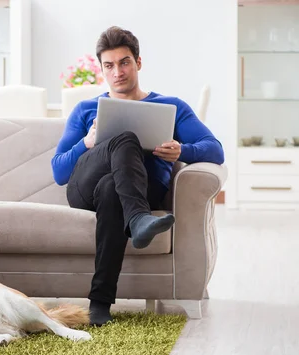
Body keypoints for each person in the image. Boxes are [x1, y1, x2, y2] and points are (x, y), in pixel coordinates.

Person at [51, 26, 225, 327]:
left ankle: (99, 304)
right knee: (124, 141)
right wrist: (87, 143)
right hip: (84, 191)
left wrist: (182, 150)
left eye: (124, 62)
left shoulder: (171, 107)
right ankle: (140, 219)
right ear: (102, 70)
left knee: (111, 190)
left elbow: (215, 150)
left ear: (138, 63)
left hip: (136, 192)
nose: (117, 71)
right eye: (109, 65)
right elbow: (59, 171)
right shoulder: (85, 109)